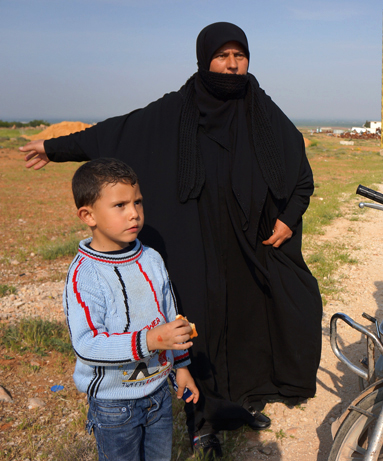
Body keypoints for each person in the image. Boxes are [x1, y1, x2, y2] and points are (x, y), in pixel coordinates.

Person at [21, 22, 322, 458]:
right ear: (205, 59)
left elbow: (300, 176)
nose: (232, 65)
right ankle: (202, 420)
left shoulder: (263, 111)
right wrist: (53, 148)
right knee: (197, 323)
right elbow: (115, 132)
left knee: (247, 320)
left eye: (240, 56)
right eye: (223, 56)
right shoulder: (176, 109)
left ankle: (240, 403)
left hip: (246, 244)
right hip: (192, 243)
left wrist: (289, 219)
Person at [65, 157, 200, 461]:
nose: (134, 214)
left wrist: (182, 366)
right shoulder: (85, 275)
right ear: (88, 215)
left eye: (137, 203)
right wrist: (149, 341)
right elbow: (86, 345)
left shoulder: (151, 258)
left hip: (158, 395)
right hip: (114, 406)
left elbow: (170, 317)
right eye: (120, 205)